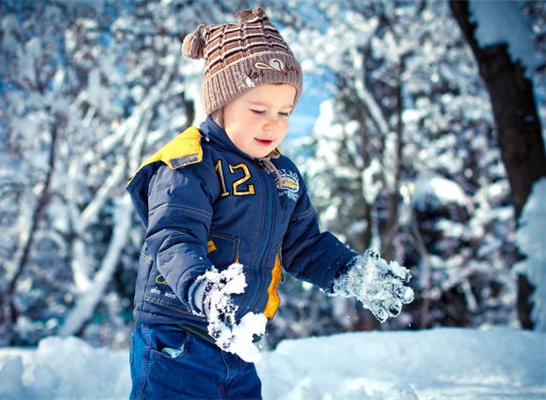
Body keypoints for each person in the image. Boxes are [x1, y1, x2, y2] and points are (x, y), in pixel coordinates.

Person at [126, 7, 413, 399]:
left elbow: (304, 246)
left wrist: (351, 271)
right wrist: (205, 289)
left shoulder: (283, 176)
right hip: (178, 337)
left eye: (284, 112)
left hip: (238, 341)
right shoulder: (190, 163)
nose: (272, 124)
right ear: (220, 104)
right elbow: (173, 237)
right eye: (258, 110)